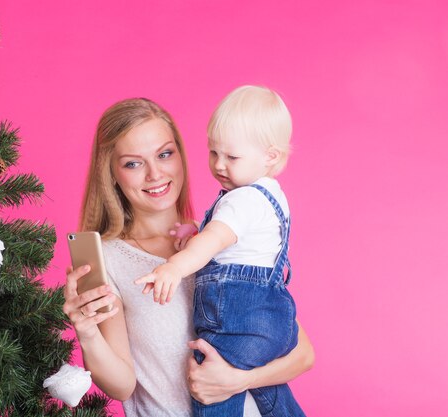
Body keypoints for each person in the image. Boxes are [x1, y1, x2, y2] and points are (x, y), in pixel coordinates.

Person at [62, 97, 314, 417]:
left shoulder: (222, 238)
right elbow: (122, 385)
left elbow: (302, 354)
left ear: (180, 155)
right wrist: (87, 333)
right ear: (111, 173)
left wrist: (236, 381)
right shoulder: (109, 261)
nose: (155, 174)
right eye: (133, 163)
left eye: (165, 154)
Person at [135, 86, 304, 416]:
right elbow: (236, 242)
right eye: (214, 153)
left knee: (211, 377)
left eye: (232, 157)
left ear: (270, 156)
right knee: (263, 384)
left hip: (238, 318)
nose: (219, 165)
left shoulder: (242, 200)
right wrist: (195, 229)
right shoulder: (269, 195)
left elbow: (213, 243)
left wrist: (173, 267)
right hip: (271, 320)